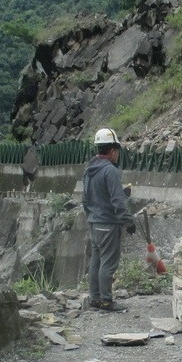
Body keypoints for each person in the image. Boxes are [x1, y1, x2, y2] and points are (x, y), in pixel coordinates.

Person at [82, 127, 136, 311]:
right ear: (112, 150)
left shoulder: (90, 169)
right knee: (108, 263)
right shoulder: (110, 170)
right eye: (117, 151)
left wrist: (92, 216)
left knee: (95, 262)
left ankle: (95, 299)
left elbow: (87, 198)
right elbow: (116, 201)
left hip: (94, 223)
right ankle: (106, 300)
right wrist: (127, 220)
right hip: (108, 224)